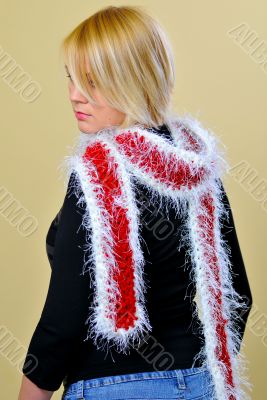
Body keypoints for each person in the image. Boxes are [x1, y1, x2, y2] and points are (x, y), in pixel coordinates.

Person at [18, 5, 253, 400]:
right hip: (200, 382)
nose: (74, 95)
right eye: (71, 78)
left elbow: (63, 320)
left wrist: (31, 392)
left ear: (132, 79)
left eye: (92, 82)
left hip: (110, 386)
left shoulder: (97, 171)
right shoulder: (199, 166)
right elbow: (238, 298)